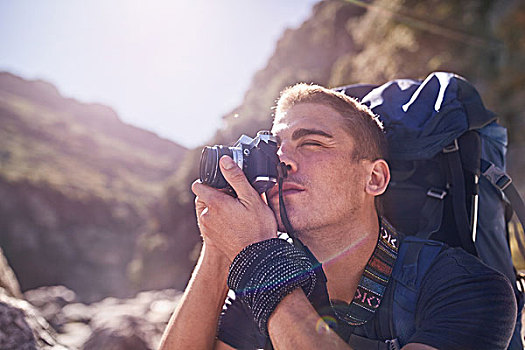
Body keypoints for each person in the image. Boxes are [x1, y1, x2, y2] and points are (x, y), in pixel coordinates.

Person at [159, 84, 517, 349]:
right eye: (275, 147)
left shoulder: (467, 287)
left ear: (374, 178)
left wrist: (259, 258)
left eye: (312, 143)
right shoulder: (262, 283)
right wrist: (219, 249)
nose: (282, 160)